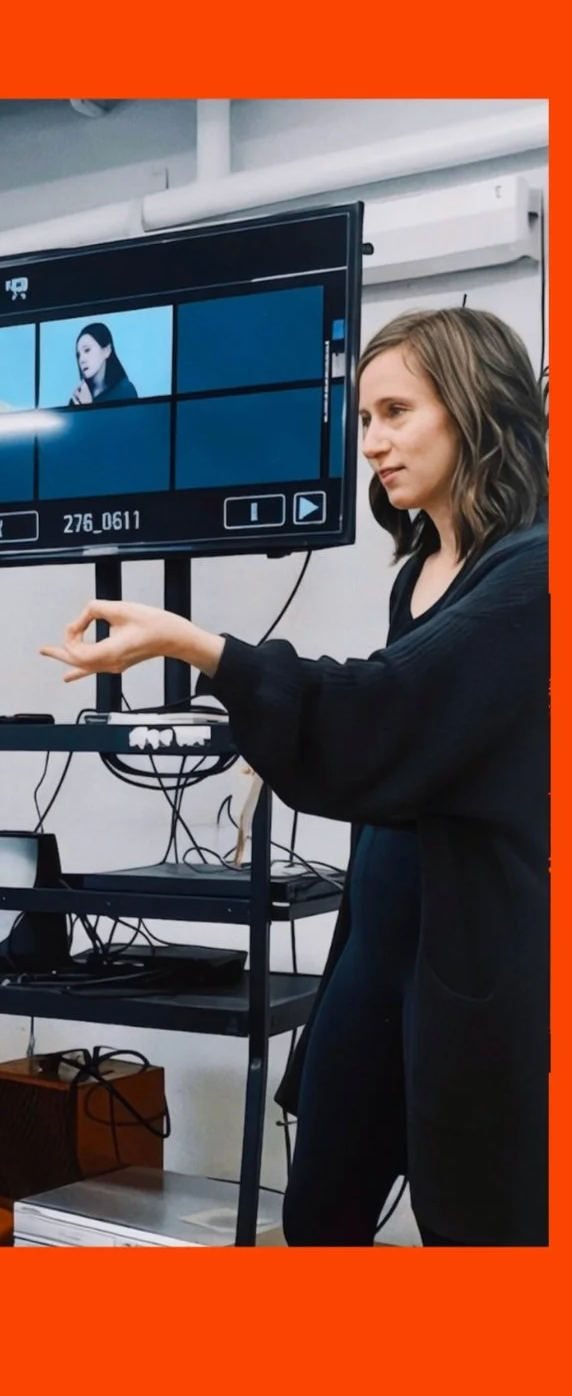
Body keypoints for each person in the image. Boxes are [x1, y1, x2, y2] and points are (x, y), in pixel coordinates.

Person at [39, 306, 548, 1247]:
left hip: (474, 953)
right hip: (377, 944)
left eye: (396, 412)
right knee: (319, 1209)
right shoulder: (420, 570)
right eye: (365, 419)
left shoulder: (535, 576)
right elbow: (393, 742)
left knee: (476, 1225)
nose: (373, 443)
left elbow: (384, 711)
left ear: (475, 405)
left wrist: (199, 646)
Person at [67, 321, 138, 405]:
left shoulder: (125, 391)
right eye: (78, 355)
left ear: (107, 351)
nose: (81, 359)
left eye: (87, 350)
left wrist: (88, 406)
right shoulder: (78, 399)